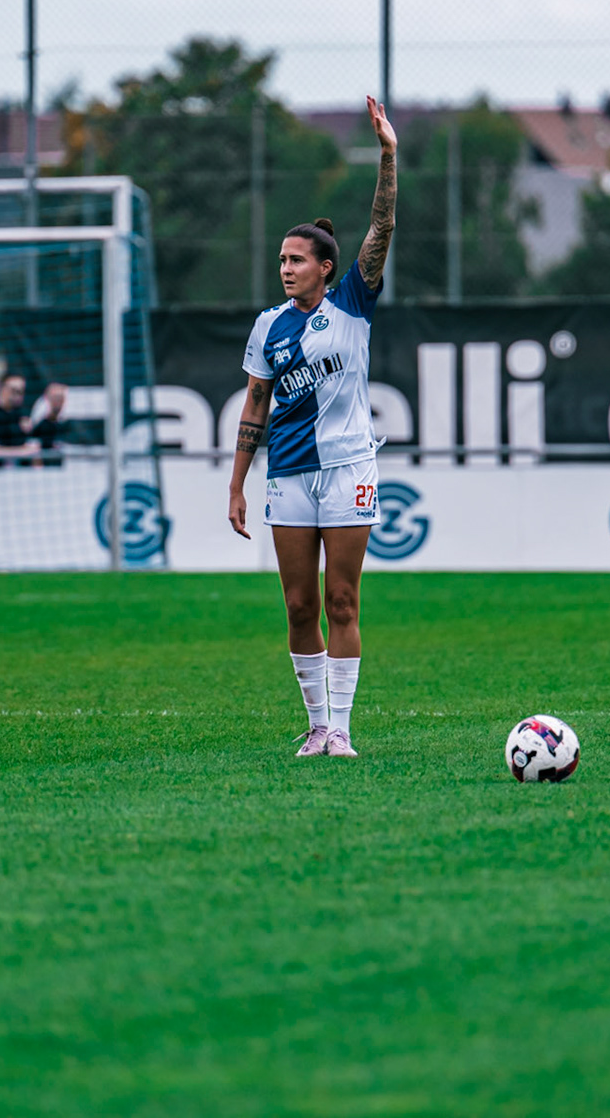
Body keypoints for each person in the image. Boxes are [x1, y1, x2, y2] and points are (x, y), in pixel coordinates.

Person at [228, 95, 397, 759]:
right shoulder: (269, 327)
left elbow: (381, 227)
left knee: (343, 600)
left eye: (297, 259)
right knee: (299, 606)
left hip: (350, 465)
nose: (286, 267)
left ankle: (345, 730)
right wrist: (237, 485)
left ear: (326, 267)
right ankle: (318, 725)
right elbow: (254, 407)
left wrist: (388, 155)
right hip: (289, 475)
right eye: (281, 260)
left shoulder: (354, 301)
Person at [0, 373, 66, 465]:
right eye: (14, 390)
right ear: (1, 389)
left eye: (21, 391)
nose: (17, 395)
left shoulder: (22, 416)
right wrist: (22, 452)